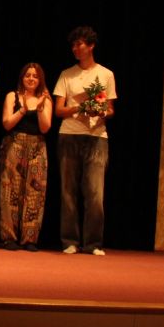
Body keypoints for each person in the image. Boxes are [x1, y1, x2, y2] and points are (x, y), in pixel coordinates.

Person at [53, 25, 116, 256]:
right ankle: (70, 240)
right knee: (68, 191)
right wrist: (79, 107)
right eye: (73, 45)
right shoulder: (66, 74)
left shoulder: (106, 74)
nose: (75, 48)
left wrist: (99, 110)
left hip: (96, 136)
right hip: (69, 135)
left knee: (95, 193)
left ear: (91, 46)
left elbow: (111, 109)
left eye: (79, 44)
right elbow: (59, 110)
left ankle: (94, 243)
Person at [0, 62, 52, 252]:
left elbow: (45, 128)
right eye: (28, 75)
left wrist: (39, 107)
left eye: (35, 76)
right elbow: (7, 123)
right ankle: (9, 237)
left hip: (37, 146)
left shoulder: (45, 100)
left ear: (40, 80)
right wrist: (23, 109)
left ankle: (30, 238)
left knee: (35, 193)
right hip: (15, 143)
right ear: (22, 77)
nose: (31, 78)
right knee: (10, 191)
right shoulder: (12, 96)